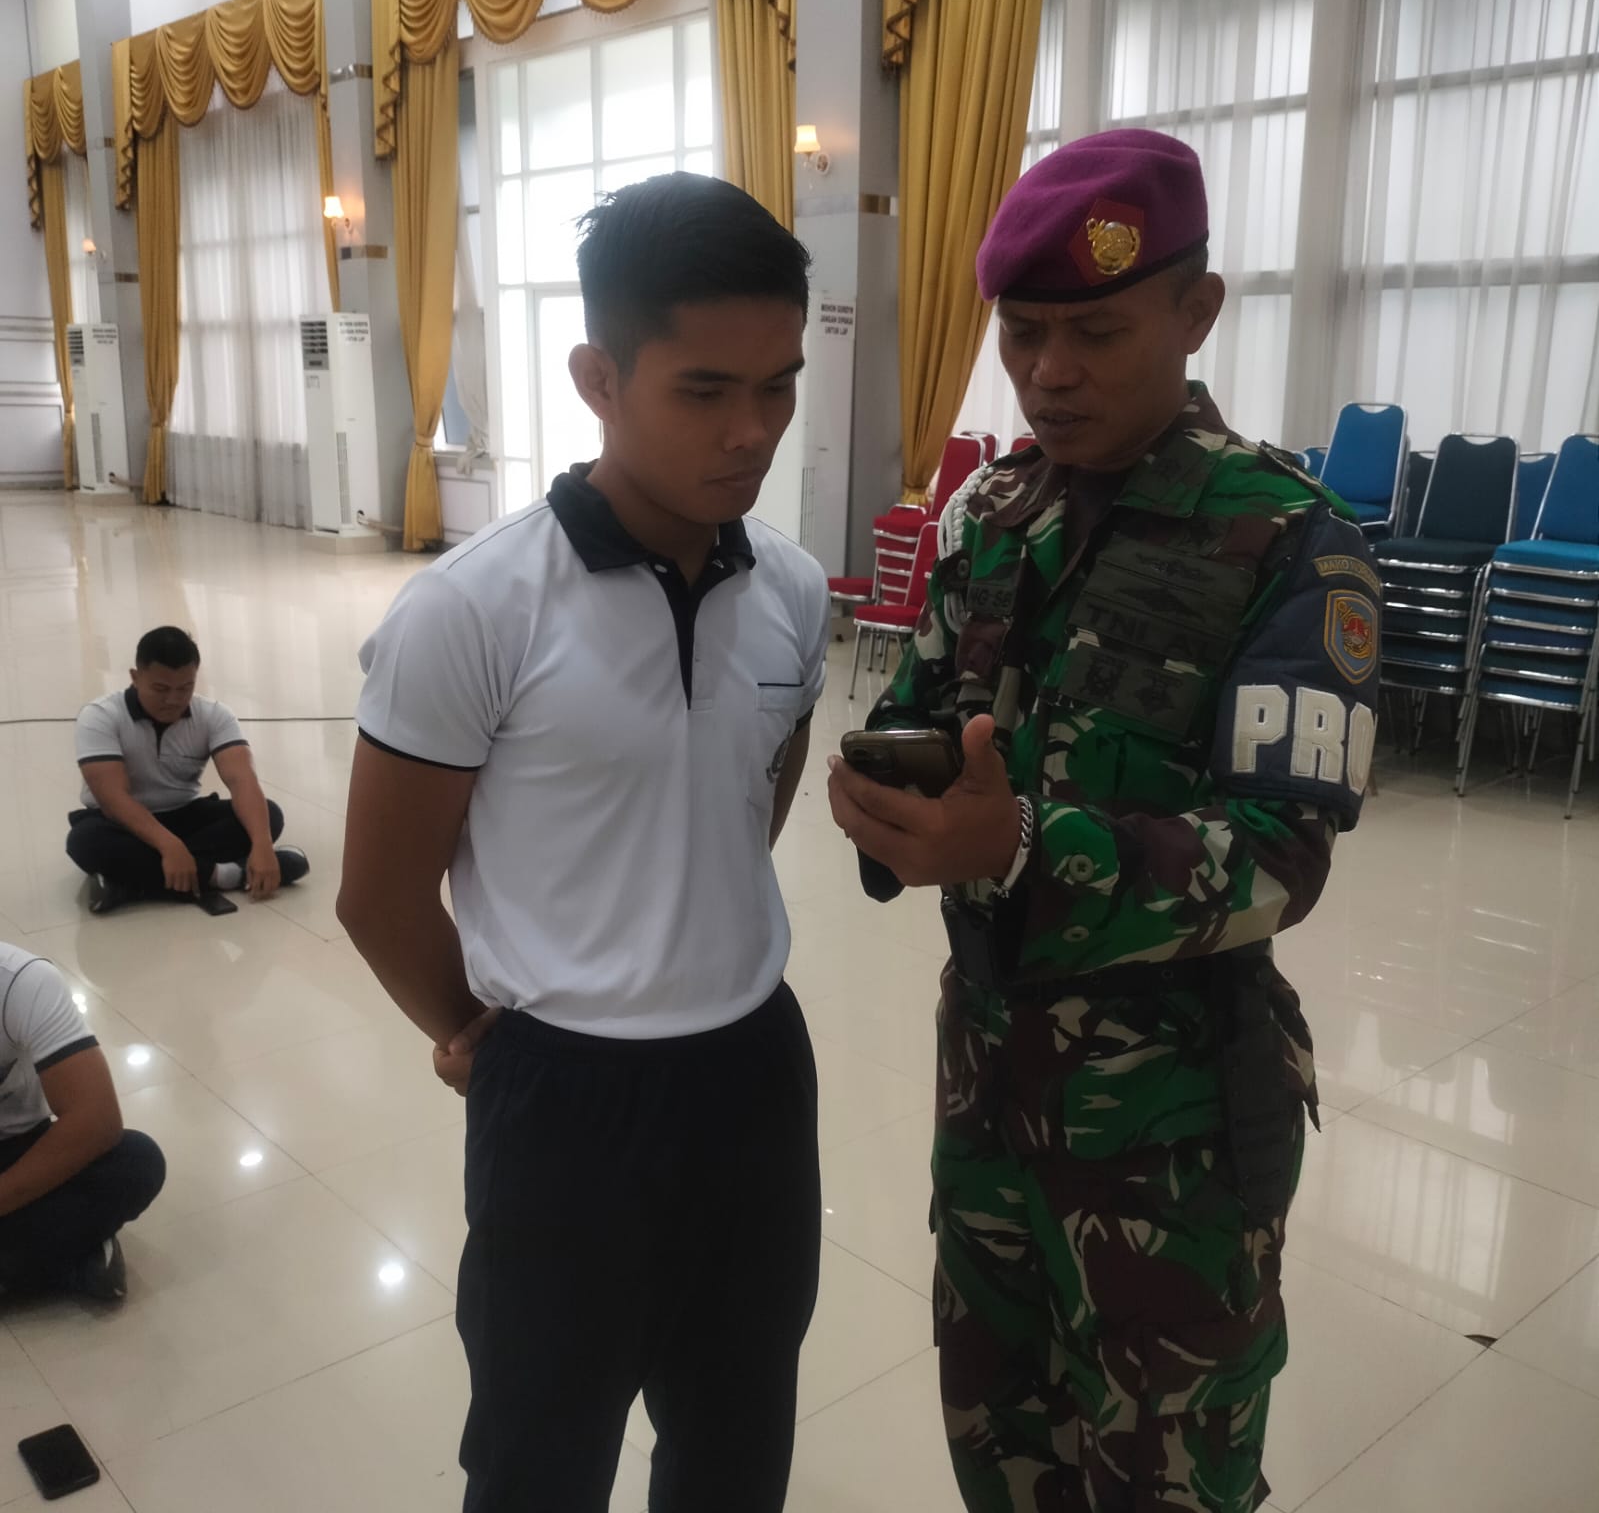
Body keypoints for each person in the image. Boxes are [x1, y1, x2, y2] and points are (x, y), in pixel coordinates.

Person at [826, 130, 1379, 1513]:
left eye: (1095, 331)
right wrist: (888, 802)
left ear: (1196, 313)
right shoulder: (992, 513)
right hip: (985, 1079)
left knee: (1164, 1473)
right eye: (1021, 333)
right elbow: (922, 706)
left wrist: (1023, 846)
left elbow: (1278, 858)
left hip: (1173, 1120)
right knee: (1001, 1441)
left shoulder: (1289, 541)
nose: (1049, 372)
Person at [339, 172, 829, 1513]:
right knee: (538, 1455)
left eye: (778, 386)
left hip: (752, 1073)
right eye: (704, 389)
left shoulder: (792, 590)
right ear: (598, 378)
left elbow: (757, 799)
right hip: (562, 1101)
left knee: (737, 1438)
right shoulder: (472, 610)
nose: (751, 431)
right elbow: (378, 894)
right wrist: (482, 1032)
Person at [68, 627, 309, 916]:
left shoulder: (214, 715)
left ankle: (130, 885)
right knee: (85, 842)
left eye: (185, 688)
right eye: (161, 689)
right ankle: (229, 875)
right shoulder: (100, 716)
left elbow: (242, 780)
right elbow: (113, 800)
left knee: (268, 816)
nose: (173, 699)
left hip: (185, 815)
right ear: (135, 676)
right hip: (122, 823)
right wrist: (168, 846)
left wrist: (262, 844)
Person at [0, 941, 166, 1301]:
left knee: (137, 1162)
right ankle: (65, 1259)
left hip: (18, 1152)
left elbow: (96, 1119)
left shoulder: (22, 981)